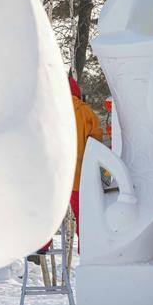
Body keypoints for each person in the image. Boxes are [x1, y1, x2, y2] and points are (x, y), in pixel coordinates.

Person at [32, 75, 103, 257]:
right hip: (80, 174)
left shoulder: (48, 112)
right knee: (83, 215)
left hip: (55, 173)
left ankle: (42, 244)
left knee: (50, 209)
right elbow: (97, 143)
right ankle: (86, 249)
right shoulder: (87, 113)